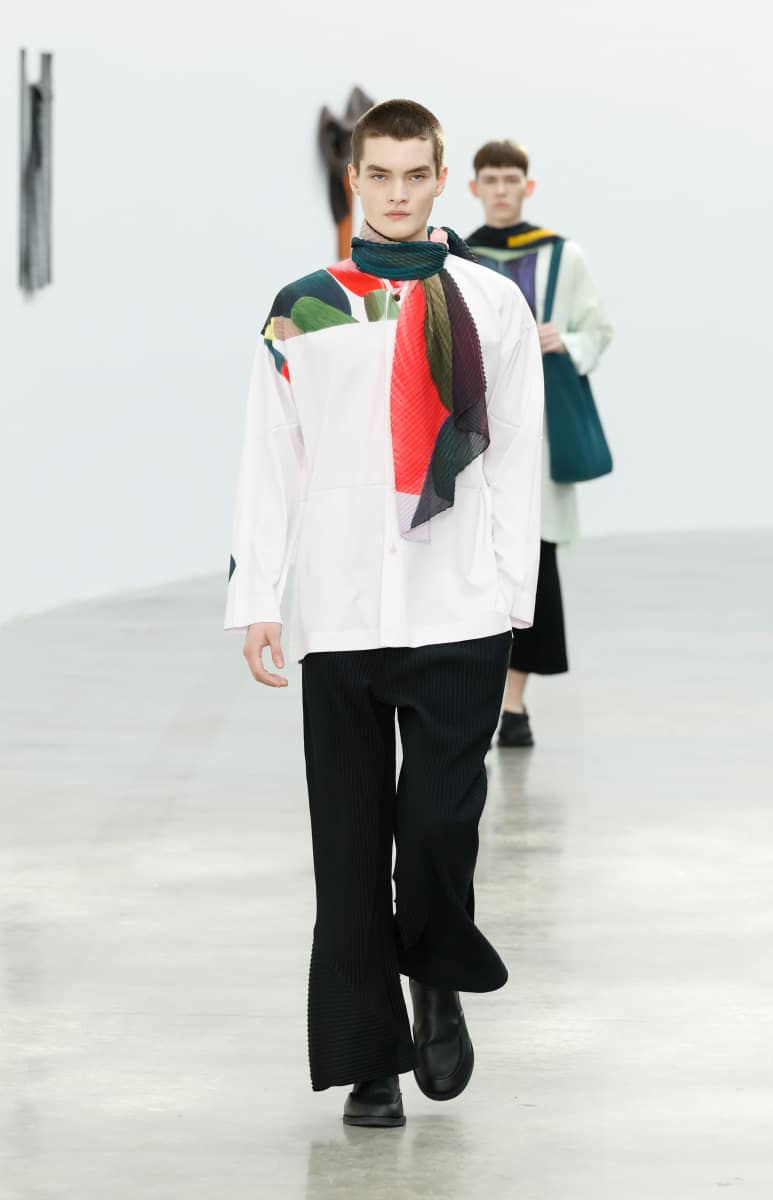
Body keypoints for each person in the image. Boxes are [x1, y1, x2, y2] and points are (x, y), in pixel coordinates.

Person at [225, 101, 544, 1128]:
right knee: (351, 840)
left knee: (441, 823)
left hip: (459, 602)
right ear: (353, 179)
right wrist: (257, 595)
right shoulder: (304, 307)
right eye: (379, 174)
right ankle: (370, 1057)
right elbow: (271, 457)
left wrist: (511, 593)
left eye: (415, 174)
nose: (397, 193)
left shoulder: (487, 301)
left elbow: (514, 454)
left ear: (441, 177)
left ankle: (435, 974)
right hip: (341, 606)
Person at [467, 140, 614, 749]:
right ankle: (475, 698)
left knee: (534, 562)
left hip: (541, 428)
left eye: (511, 180)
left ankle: (513, 704)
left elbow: (597, 329)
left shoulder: (562, 255)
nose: (501, 190)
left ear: (526, 187)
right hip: (476, 430)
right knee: (472, 559)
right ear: (474, 187)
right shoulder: (458, 255)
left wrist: (566, 340)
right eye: (491, 180)